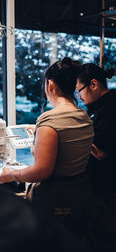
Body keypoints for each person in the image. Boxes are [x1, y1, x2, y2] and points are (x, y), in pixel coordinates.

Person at [0, 59, 94, 239]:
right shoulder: (84, 116)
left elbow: (42, 171)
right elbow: (69, 142)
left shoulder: (49, 120)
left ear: (50, 85)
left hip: (56, 202)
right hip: (81, 194)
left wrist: (10, 174)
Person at [76, 63, 116, 252]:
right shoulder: (97, 106)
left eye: (80, 90)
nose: (79, 96)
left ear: (94, 84)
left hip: (107, 190)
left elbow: (101, 153)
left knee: (105, 241)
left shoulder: (111, 108)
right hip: (97, 189)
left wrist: (75, 133)